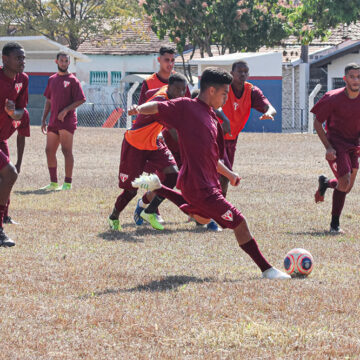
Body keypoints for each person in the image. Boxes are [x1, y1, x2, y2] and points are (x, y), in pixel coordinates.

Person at [128, 67, 290, 279]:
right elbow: (158, 106)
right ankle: (267, 270)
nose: (225, 98)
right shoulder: (186, 107)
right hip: (199, 186)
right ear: (212, 90)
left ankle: (159, 186)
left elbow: (212, 157)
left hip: (204, 183)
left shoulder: (211, 117)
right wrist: (138, 108)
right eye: (224, 93)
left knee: (202, 219)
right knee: (239, 222)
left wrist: (229, 174)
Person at [108, 73, 187, 231]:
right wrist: (138, 109)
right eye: (178, 89)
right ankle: (114, 216)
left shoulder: (166, 91)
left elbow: (148, 94)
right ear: (170, 87)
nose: (181, 93)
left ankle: (149, 211)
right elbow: (175, 134)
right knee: (130, 190)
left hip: (153, 143)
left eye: (183, 90)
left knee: (172, 175)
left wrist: (140, 107)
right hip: (134, 144)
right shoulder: (163, 103)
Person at [312, 63, 360, 234]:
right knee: (345, 180)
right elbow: (317, 122)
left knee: (347, 187)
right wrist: (328, 147)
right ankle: (334, 225)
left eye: (359, 77)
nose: (356, 80)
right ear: (345, 79)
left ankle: (325, 183)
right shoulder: (333, 98)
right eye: (352, 77)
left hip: (354, 145)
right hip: (337, 144)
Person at [217, 60, 276, 197]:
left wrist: (268, 113)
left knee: (223, 175)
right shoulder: (224, 88)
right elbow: (214, 106)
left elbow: (270, 108)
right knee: (225, 174)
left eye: (245, 72)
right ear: (232, 73)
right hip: (216, 136)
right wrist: (223, 119)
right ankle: (219, 207)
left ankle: (212, 207)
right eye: (239, 71)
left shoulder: (252, 91)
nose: (243, 74)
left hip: (232, 139)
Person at [40, 52, 86, 190]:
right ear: (56, 61)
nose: (64, 63)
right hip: (53, 121)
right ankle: (53, 183)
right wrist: (43, 119)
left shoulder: (73, 80)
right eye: (62, 61)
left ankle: (67, 183)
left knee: (66, 151)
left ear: (69, 63)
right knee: (49, 151)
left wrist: (66, 110)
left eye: (66, 61)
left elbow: (81, 99)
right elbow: (48, 100)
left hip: (67, 121)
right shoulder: (51, 79)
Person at [0, 42, 29, 246]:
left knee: (8, 176)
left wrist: (12, 113)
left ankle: (3, 220)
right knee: (10, 173)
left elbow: (21, 111)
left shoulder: (23, 80)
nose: (22, 61)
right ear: (5, 59)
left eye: (24, 58)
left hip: (1, 140)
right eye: (18, 58)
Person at [0, 109, 30, 225]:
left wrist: (19, 162)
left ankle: (4, 216)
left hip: (2, 141)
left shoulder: (24, 114)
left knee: (8, 177)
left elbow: (21, 137)